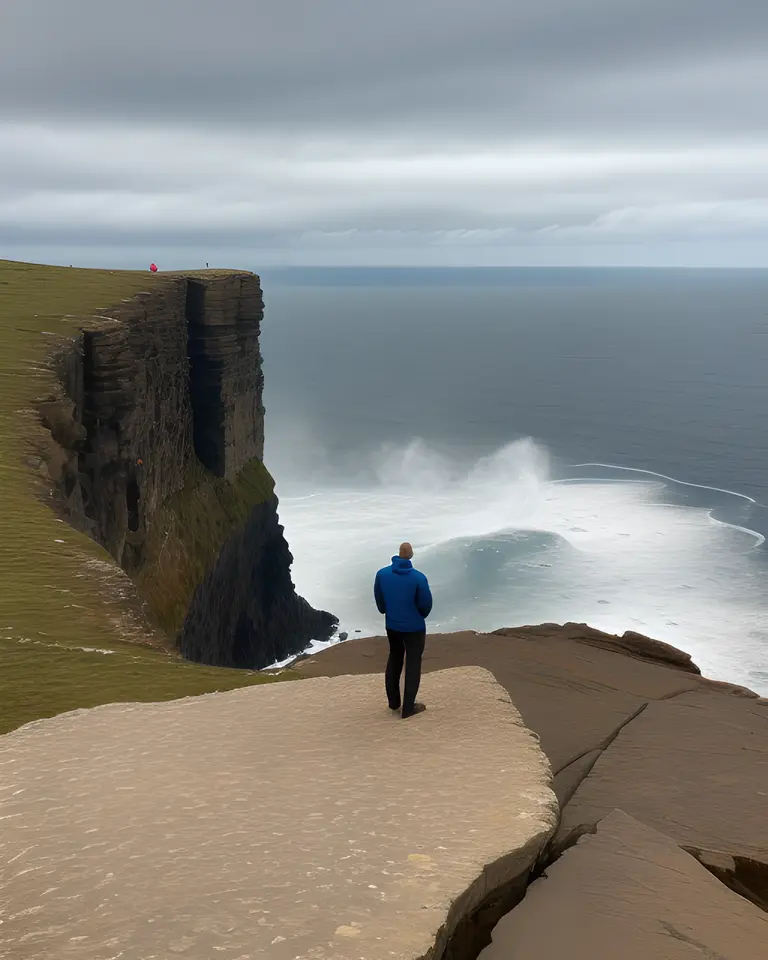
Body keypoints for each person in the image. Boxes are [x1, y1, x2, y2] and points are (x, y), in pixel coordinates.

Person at [374, 542, 433, 719]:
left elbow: (380, 601)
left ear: (398, 554)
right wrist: (419, 615)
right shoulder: (418, 578)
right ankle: (408, 709)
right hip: (414, 627)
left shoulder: (382, 574)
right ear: (411, 555)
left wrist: (387, 611)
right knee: (413, 663)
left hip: (392, 625)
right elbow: (425, 605)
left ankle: (394, 703)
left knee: (395, 657)